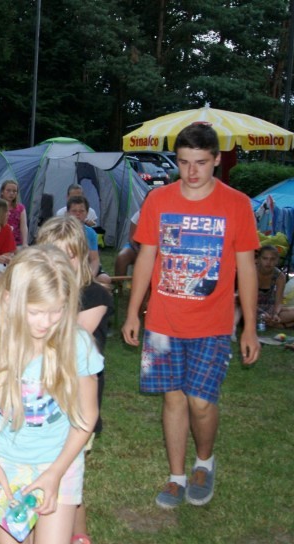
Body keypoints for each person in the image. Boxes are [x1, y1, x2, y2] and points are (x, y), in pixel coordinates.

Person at [122, 123, 261, 509]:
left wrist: (250, 327)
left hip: (212, 323)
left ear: (216, 160)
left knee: (200, 401)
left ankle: (203, 462)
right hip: (162, 322)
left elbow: (247, 268)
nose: (191, 171)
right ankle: (176, 477)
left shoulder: (236, 204)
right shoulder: (158, 200)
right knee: (173, 400)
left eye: (200, 162)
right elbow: (146, 258)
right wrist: (133, 312)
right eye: (183, 162)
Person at [0, 245, 102, 544]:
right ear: (10, 299)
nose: (46, 322)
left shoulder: (77, 343)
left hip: (59, 461)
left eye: (56, 311)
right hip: (5, 461)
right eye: (35, 312)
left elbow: (87, 415)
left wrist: (54, 474)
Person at [35, 216, 113, 544]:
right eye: (52, 253)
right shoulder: (34, 296)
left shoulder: (95, 296)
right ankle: (61, 540)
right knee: (48, 472)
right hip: (38, 404)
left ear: (82, 257)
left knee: (68, 475)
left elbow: (65, 339)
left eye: (69, 255)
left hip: (75, 410)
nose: (60, 263)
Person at [249, 245, 294, 328]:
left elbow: (279, 301)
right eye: (265, 258)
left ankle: (270, 322)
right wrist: (260, 312)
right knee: (242, 310)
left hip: (269, 308)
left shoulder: (279, 276)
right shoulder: (251, 272)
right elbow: (245, 299)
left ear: (277, 261)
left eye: (272, 259)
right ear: (259, 259)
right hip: (251, 308)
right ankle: (280, 325)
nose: (268, 262)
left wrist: (276, 314)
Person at [66, 195, 112, 288]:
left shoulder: (91, 233)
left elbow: (94, 259)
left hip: (86, 267)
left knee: (105, 280)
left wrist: (90, 277)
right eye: (74, 211)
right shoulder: (62, 231)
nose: (78, 214)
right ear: (68, 213)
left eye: (81, 211)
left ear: (87, 213)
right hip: (68, 267)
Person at [0, 179, 29, 248]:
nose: (11, 193)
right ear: (2, 192)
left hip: (16, 242)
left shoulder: (20, 208)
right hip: (0, 242)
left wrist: (25, 243)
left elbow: (23, 226)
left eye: (14, 191)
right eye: (8, 190)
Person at [114, 208, 142, 277]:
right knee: (122, 257)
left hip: (155, 249)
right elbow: (132, 238)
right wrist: (138, 251)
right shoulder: (138, 214)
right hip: (136, 246)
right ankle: (118, 283)